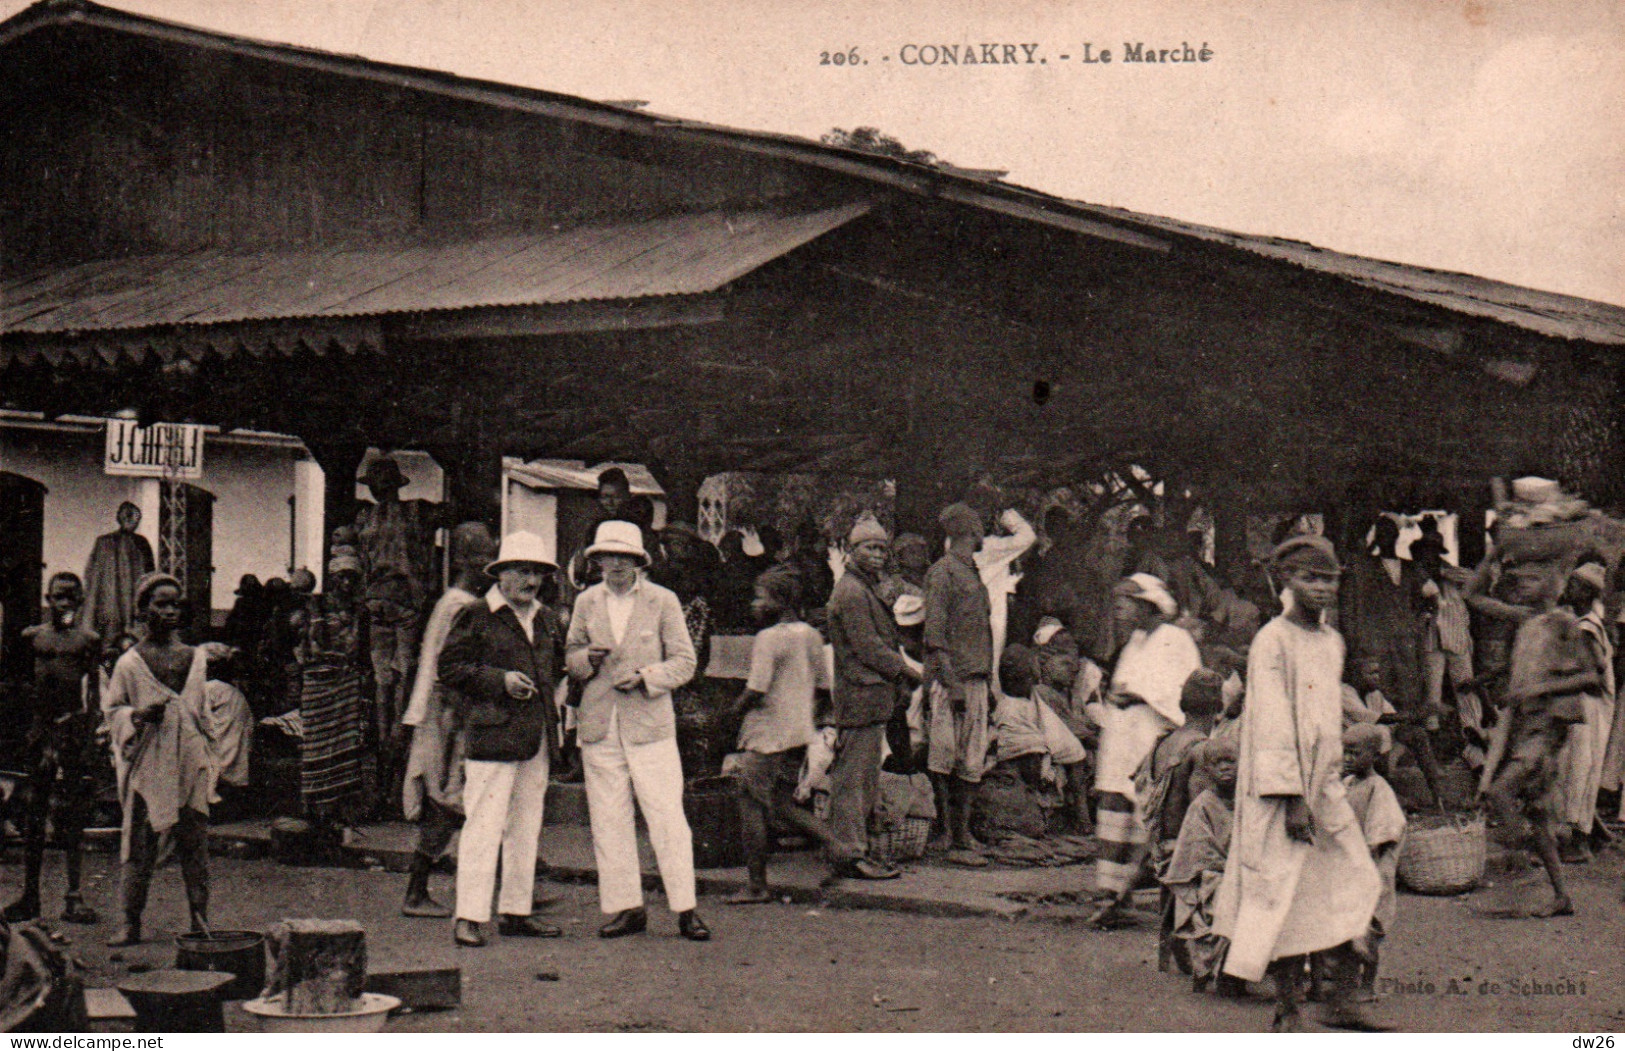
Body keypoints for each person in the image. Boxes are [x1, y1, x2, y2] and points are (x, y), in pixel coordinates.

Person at [1211, 534, 1387, 1033]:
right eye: (1310, 577)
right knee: (1284, 889)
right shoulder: (1273, 640)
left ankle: (1339, 999)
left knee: (1358, 877)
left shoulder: (1332, 641)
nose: (1322, 588)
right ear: (1284, 581)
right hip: (1279, 788)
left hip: (1325, 781)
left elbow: (1326, 710)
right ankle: (1288, 1008)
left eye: (1329, 578)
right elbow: (1270, 722)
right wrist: (1289, 798)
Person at [566, 521, 708, 941]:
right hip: (599, 723)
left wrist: (647, 676)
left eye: (624, 557)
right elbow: (570, 656)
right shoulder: (587, 602)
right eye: (608, 557)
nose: (616, 565)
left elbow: (685, 662)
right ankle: (627, 907)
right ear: (597, 561)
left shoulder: (663, 600)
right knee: (609, 818)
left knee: (666, 815)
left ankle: (686, 908)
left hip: (649, 725)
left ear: (638, 561)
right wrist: (585, 659)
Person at [437, 531, 562, 947]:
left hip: (536, 736)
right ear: (502, 574)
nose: (531, 581)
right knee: (484, 825)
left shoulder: (544, 617)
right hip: (492, 734)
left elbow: (554, 668)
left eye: (538, 573)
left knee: (526, 827)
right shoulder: (477, 613)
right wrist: (499, 680)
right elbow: (450, 667)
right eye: (523, 571)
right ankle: (468, 915)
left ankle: (516, 911)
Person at [101, 574, 216, 947]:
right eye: (160, 604)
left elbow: (202, 713)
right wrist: (136, 716)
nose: (169, 611)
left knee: (194, 842)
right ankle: (130, 922)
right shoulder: (129, 663)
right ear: (143, 608)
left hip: (189, 759)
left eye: (174, 604)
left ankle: (200, 920)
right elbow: (113, 710)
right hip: (149, 759)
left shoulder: (195, 658)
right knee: (139, 842)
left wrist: (211, 759)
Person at [1480, 560, 1595, 919]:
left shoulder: (1565, 622)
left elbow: (1593, 676)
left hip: (1547, 726)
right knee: (1539, 814)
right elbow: (1471, 596)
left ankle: (1519, 864)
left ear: (1553, 584)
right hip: (1524, 724)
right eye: (1520, 581)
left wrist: (1540, 687)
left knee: (1499, 791)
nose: (1524, 587)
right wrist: (1493, 553)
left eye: (1533, 579)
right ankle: (1561, 895)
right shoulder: (1527, 622)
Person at [1088, 573, 1200, 928]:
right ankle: (1111, 894)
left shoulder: (1176, 639)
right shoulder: (1135, 642)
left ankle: (1122, 893)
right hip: (1123, 739)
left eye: (1124, 605)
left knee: (1146, 819)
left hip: (1150, 739)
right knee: (1115, 814)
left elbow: (1185, 690)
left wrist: (1139, 695)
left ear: (1145, 605)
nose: (1118, 613)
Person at [399, 523, 496, 918]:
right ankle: (416, 891)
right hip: (448, 711)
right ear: (462, 560)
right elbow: (449, 667)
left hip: (447, 709)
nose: (487, 565)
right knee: (448, 799)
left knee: (465, 798)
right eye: (480, 557)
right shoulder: (460, 605)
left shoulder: (454, 601)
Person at [724, 568, 836, 903]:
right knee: (782, 803)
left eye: (761, 597)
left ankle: (757, 885)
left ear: (780, 601)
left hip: (766, 733)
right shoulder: (812, 636)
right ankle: (840, 848)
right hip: (799, 731)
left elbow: (756, 688)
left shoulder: (768, 638)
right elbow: (823, 688)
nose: (755, 604)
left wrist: (729, 715)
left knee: (751, 802)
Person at [825, 519, 919, 881]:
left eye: (882, 548)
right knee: (853, 780)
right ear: (852, 550)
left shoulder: (865, 588)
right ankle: (848, 853)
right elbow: (868, 648)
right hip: (859, 694)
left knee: (863, 778)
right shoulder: (851, 592)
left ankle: (855, 850)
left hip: (870, 695)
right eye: (869, 547)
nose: (877, 554)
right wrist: (908, 672)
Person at [4, 573, 101, 925]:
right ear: (48, 598)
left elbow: (93, 693)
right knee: (35, 811)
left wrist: (88, 736)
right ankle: (31, 895)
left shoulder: (89, 640)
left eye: (72, 598)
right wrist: (34, 733)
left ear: (80, 600)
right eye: (59, 597)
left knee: (73, 812)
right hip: (40, 730)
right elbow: (20, 685)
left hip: (71, 729)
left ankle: (73, 896)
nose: (65, 604)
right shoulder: (32, 638)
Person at [354, 454, 437, 806]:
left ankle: (394, 781)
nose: (378, 489)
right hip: (378, 607)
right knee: (383, 690)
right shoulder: (365, 517)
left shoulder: (416, 512)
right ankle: (385, 783)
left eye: (382, 482)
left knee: (400, 689)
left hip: (404, 607)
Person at [924, 503, 998, 866]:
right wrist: (950, 683)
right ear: (971, 532)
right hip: (952, 679)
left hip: (977, 678)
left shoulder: (972, 572)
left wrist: (988, 682)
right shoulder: (943, 573)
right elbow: (935, 636)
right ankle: (947, 834)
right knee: (943, 758)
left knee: (970, 760)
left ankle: (961, 835)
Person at [296, 550, 371, 839]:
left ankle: (336, 812)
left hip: (346, 680)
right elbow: (314, 644)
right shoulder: (317, 604)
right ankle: (314, 809)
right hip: (318, 680)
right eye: (342, 577)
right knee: (316, 742)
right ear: (332, 577)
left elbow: (360, 647)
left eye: (352, 577)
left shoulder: (359, 609)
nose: (347, 583)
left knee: (344, 744)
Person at [1163, 738, 1241, 996]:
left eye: (1230, 761)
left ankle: (1233, 974)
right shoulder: (1202, 804)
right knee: (1218, 897)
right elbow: (1197, 848)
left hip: (1240, 870)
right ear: (1207, 769)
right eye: (1217, 763)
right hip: (1212, 874)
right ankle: (1211, 970)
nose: (1225, 768)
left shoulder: (1247, 801)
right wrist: (1223, 868)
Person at [1551, 561, 1614, 864]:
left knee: (1579, 770)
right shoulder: (1580, 622)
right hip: (1585, 707)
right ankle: (1589, 834)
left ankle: (1577, 841)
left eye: (1575, 585)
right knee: (1578, 769)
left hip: (1588, 708)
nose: (1569, 588)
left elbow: (1598, 672)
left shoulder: (1588, 627)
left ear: (1588, 592)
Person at [1342, 722, 1406, 1001]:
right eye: (1344, 752)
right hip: (1349, 869)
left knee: (1367, 932)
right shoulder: (1348, 784)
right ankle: (1347, 982)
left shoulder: (1379, 790)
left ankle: (1367, 985)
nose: (1347, 758)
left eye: (1354, 752)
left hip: (1372, 872)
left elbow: (1380, 836)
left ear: (1375, 755)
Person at [82, 501, 155, 644]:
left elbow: (149, 575)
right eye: (129, 517)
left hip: (130, 602)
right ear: (121, 518)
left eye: (135, 518)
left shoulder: (141, 542)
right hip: (108, 603)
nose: (133, 522)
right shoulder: (103, 542)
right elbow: (92, 575)